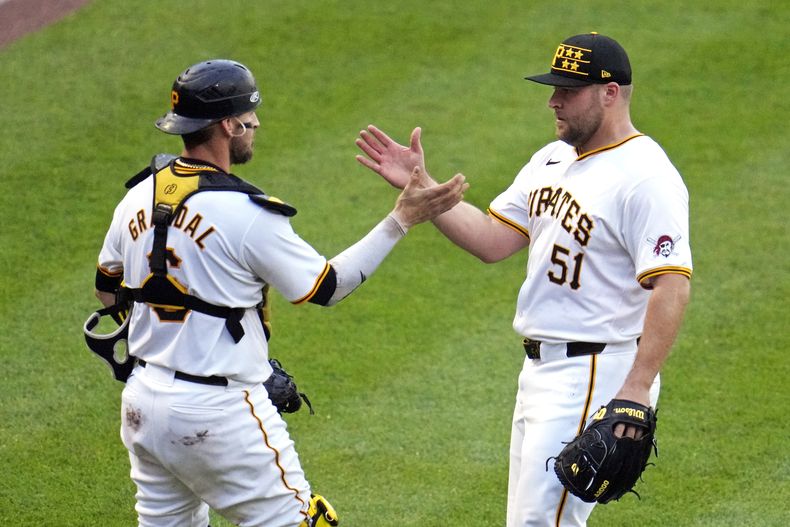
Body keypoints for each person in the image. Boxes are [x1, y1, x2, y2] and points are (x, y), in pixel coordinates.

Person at [92, 58, 467, 527]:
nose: (256, 126)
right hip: (217, 411)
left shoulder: (137, 197)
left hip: (142, 404)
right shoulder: (245, 213)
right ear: (228, 125)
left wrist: (175, 347)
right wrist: (401, 219)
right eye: (249, 117)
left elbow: (108, 289)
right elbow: (328, 287)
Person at [355, 33, 692, 527]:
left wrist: (637, 388)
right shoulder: (551, 159)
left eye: (568, 91)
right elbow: (492, 240)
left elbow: (672, 284)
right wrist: (422, 188)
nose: (554, 100)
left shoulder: (646, 177)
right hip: (540, 372)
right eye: (554, 88)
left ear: (609, 93)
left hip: (594, 371)